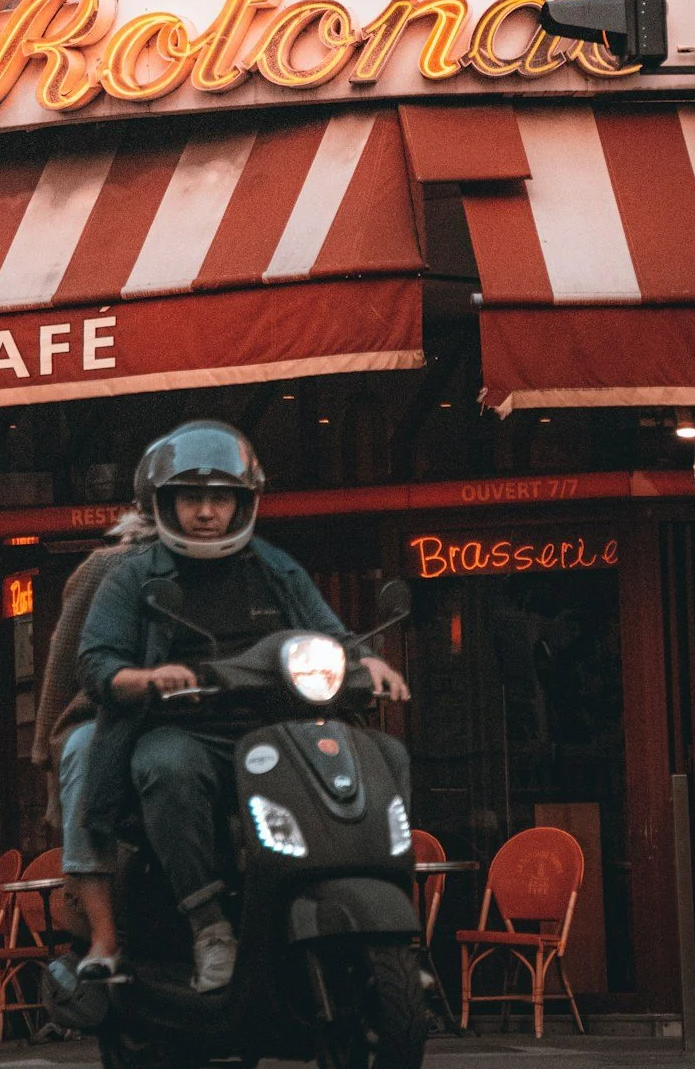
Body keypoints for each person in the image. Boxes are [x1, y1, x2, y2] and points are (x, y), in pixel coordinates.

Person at [77, 420, 410, 993]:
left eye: (220, 498)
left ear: (244, 503)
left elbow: (332, 637)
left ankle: (394, 925)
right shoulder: (134, 578)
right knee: (166, 768)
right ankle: (209, 927)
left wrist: (367, 662)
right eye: (191, 498)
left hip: (279, 731)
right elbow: (97, 664)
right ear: (164, 502)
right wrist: (147, 678)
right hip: (185, 729)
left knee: (386, 756)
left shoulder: (276, 569)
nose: (206, 512)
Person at [30, 507, 150, 984]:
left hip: (208, 712)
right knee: (84, 751)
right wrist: (44, 745)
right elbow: (64, 662)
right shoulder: (106, 567)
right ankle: (104, 933)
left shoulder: (242, 565)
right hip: (110, 709)